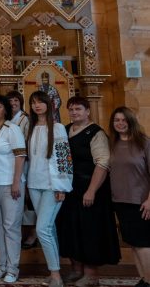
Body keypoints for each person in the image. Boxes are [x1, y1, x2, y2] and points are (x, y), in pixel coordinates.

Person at [57, 96, 120, 286]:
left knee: (90, 231)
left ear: (87, 111)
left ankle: (91, 275)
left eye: (78, 109)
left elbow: (103, 163)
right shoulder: (65, 130)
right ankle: (77, 270)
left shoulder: (96, 133)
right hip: (70, 189)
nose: (74, 112)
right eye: (71, 109)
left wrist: (91, 190)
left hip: (91, 189)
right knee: (71, 229)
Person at [26, 92, 73, 287]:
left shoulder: (58, 128)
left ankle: (56, 275)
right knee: (49, 228)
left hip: (52, 185)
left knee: (42, 229)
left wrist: (61, 186)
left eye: (40, 102)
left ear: (48, 104)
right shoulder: (30, 127)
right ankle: (54, 272)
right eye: (33, 103)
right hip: (34, 184)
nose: (37, 106)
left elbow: (64, 159)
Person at [0, 93, 26, 284]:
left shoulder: (12, 129)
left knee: (11, 226)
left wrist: (16, 182)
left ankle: (13, 268)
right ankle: (2, 265)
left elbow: (20, 156)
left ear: (5, 110)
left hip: (10, 183)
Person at [109, 107, 150, 287]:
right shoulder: (113, 144)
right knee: (133, 243)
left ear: (131, 121)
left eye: (124, 120)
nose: (120, 123)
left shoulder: (144, 143)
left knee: (143, 244)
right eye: (116, 120)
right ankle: (143, 279)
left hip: (140, 202)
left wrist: (149, 201)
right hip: (120, 201)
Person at [6, 90, 36, 249]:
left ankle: (32, 233)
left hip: (23, 162)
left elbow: (27, 142)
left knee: (26, 199)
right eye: (10, 101)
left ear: (20, 103)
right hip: (7, 164)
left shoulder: (25, 119)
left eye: (16, 101)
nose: (13, 104)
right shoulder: (5, 119)